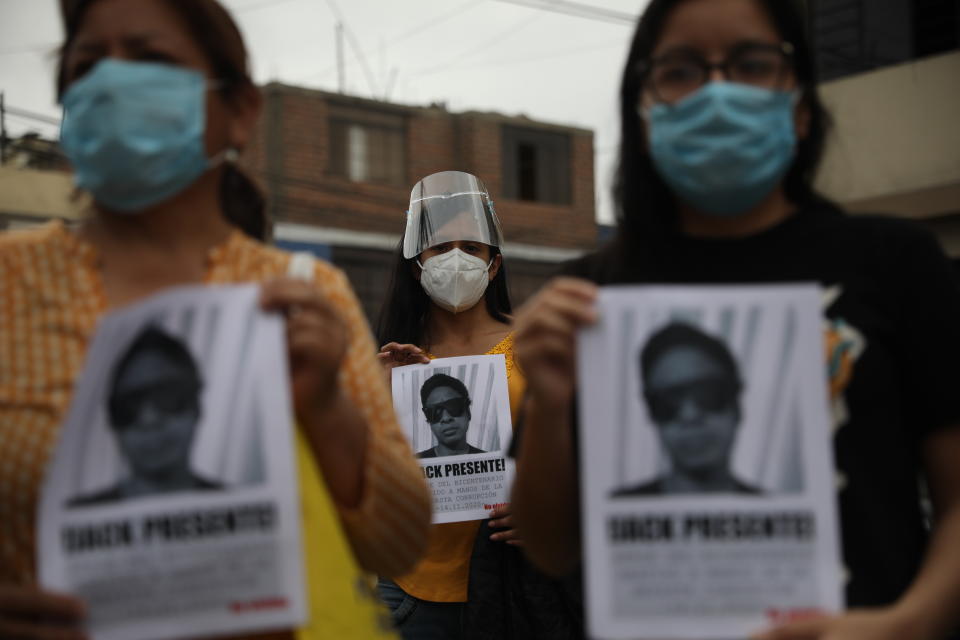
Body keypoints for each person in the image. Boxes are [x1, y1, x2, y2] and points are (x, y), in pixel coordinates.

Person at [511, 1, 960, 639]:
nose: (716, 92)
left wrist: (906, 625)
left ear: (801, 107)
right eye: (681, 70)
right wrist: (549, 407)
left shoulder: (895, 262)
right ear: (642, 113)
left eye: (751, 64)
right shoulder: (587, 295)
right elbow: (550, 550)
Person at [0, 1, 430, 639]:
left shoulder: (305, 293)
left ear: (239, 111)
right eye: (87, 64)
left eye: (152, 60)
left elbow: (399, 544)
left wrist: (326, 408)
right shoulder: (9, 282)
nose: (112, 84)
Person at [376, 170, 579, 639]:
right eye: (441, 247)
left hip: (518, 588)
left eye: (472, 248)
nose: (456, 259)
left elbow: (582, 452)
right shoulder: (391, 360)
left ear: (494, 264)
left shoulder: (533, 344)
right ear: (415, 264)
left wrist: (551, 513)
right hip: (409, 592)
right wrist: (377, 391)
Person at [70, 326, 222, 506]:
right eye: (129, 406)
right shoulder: (80, 515)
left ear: (197, 406)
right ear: (113, 422)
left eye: (167, 397)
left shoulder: (235, 505)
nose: (149, 419)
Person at [613, 321, 761, 497]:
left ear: (736, 404)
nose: (689, 416)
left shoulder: (777, 514)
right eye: (668, 403)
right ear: (651, 412)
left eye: (707, 394)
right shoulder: (618, 509)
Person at [416, 373, 486, 459]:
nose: (446, 418)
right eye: (435, 411)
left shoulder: (492, 463)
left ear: (468, 412)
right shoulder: (413, 465)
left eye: (454, 406)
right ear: (428, 419)